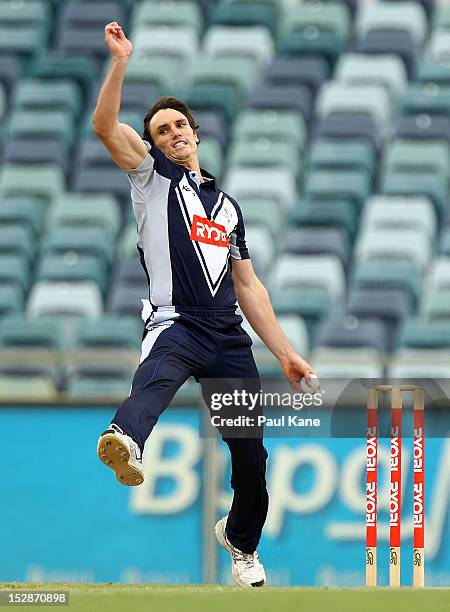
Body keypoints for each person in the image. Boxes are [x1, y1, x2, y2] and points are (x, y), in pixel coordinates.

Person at [93, 21, 316, 588]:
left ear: (195, 133)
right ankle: (125, 441)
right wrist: (120, 62)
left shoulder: (227, 207)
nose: (171, 135)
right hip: (177, 323)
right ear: (155, 144)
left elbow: (249, 286)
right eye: (160, 130)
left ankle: (241, 541)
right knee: (155, 379)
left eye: (178, 126)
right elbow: (104, 127)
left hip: (228, 335)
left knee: (252, 459)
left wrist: (286, 353)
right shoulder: (150, 178)